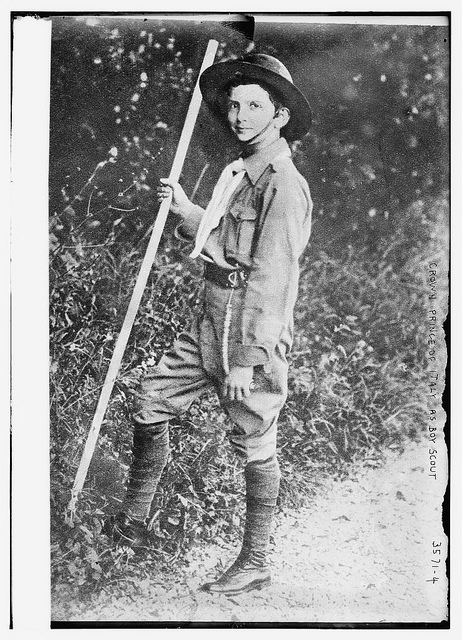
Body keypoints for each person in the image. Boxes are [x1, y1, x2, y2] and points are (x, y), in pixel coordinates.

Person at [104, 53, 313, 596]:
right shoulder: (242, 172)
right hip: (210, 319)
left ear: (280, 115)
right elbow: (227, 242)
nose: (240, 115)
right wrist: (187, 211)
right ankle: (134, 522)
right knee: (152, 398)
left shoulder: (283, 185)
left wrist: (247, 358)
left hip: (250, 327)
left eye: (254, 106)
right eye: (235, 104)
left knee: (253, 435)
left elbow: (272, 277)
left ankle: (257, 559)